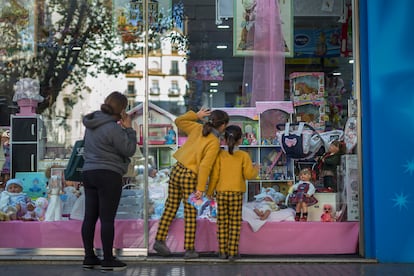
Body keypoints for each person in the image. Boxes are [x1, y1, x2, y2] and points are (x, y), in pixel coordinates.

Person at [153, 108, 229, 259]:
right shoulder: (214, 142)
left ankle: (159, 240)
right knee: (190, 212)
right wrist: (201, 189)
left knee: (170, 206)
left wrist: (196, 115)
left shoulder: (198, 127)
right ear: (222, 126)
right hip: (190, 176)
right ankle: (189, 249)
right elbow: (205, 167)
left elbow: (178, 121)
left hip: (176, 169)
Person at [81, 91, 137, 272]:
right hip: (108, 174)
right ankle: (107, 259)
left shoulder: (91, 124)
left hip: (89, 172)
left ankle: (89, 257)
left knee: (90, 216)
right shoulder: (113, 128)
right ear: (122, 109)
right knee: (107, 218)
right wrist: (129, 128)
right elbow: (128, 149)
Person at [206, 125, 259, 261]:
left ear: (224, 140)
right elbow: (248, 175)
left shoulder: (219, 155)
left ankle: (222, 251)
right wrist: (256, 169)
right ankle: (233, 252)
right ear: (240, 140)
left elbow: (214, 175)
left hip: (221, 193)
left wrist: (210, 191)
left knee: (222, 222)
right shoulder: (244, 156)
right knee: (235, 223)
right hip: (236, 193)